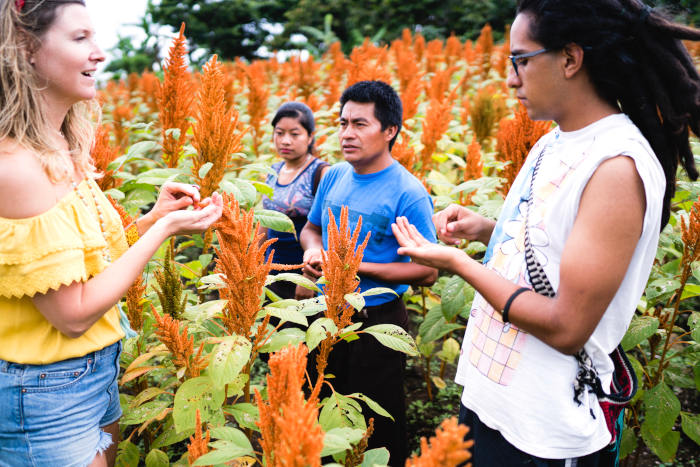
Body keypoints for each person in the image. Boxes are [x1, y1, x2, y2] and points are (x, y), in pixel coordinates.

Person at [392, 1, 700, 465]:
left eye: (521, 60)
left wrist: (460, 265)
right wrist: (486, 230)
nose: (511, 77)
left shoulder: (616, 167)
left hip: (544, 429)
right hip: (493, 398)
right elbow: (554, 248)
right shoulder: (555, 139)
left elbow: (567, 327)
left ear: (570, 59)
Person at [0, 1, 223, 466]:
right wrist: (162, 230)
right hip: (43, 390)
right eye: (80, 39)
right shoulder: (17, 168)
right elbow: (73, 313)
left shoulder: (60, 143)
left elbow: (84, 259)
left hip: (94, 372)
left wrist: (150, 217)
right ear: (26, 47)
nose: (99, 53)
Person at [300, 80, 438, 466]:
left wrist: (351, 262)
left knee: (375, 425)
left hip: (373, 322)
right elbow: (312, 228)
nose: (346, 133)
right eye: (342, 123)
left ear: (390, 130)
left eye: (359, 124)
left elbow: (426, 270)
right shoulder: (333, 176)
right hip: (322, 312)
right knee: (316, 411)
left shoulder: (408, 192)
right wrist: (314, 250)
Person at [261, 102, 328, 300]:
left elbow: (330, 229)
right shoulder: (272, 172)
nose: (285, 141)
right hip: (271, 271)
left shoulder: (321, 173)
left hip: (306, 273)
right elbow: (264, 222)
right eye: (280, 133)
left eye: (295, 134)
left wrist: (309, 278)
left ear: (310, 137)